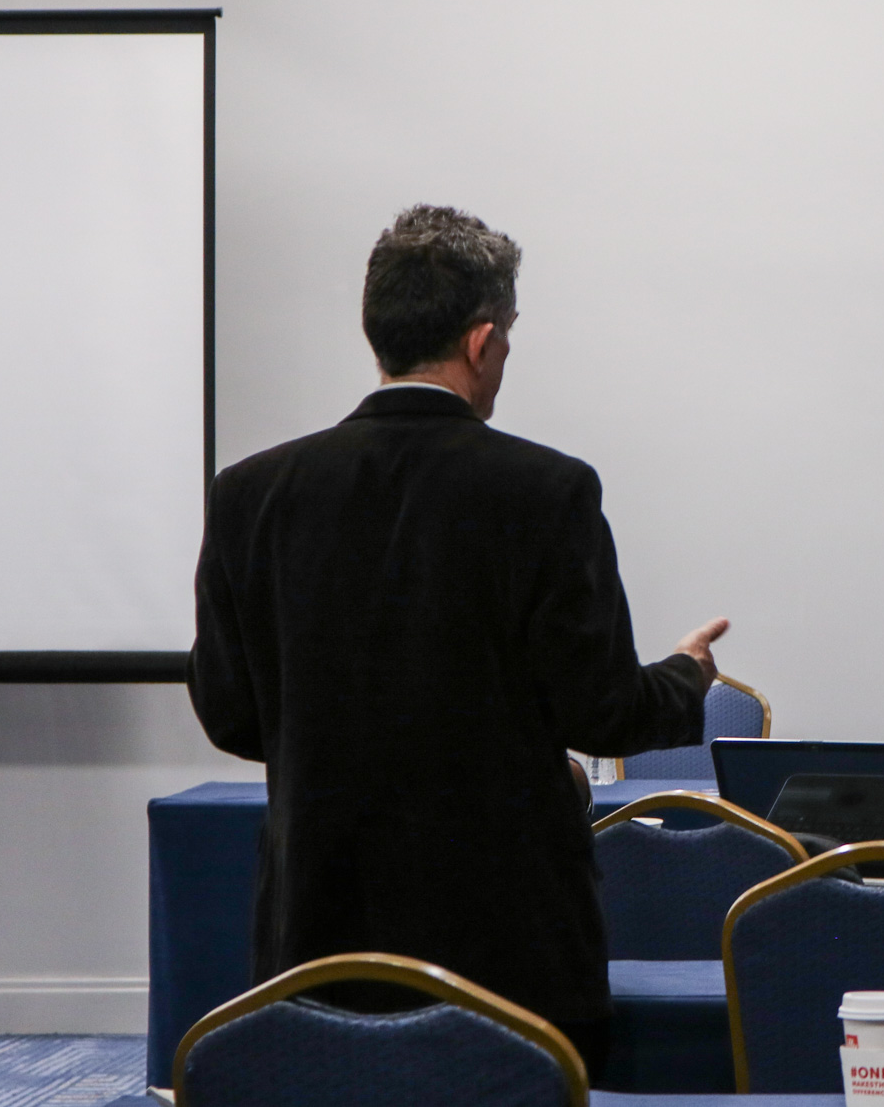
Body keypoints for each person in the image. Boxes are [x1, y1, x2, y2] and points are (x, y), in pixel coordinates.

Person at [187, 204, 727, 1072]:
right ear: (482, 342)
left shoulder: (250, 494)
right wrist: (685, 676)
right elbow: (602, 712)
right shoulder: (548, 491)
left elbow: (230, 714)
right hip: (510, 949)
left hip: (317, 933)